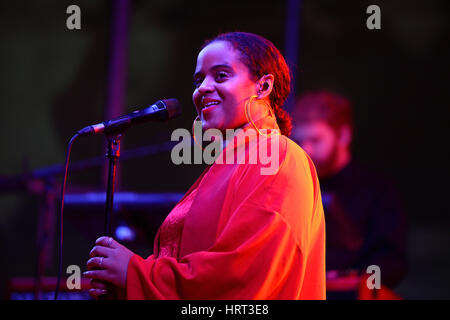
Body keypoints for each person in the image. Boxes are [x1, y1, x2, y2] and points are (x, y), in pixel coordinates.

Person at [84, 32, 326, 300]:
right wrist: (125, 285)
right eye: (199, 80)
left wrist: (135, 273)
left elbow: (243, 275)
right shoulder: (228, 164)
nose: (203, 89)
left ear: (263, 86)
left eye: (221, 76)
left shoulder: (277, 156)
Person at [290, 90, 407, 298]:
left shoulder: (378, 190)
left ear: (343, 136)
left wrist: (354, 281)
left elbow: (393, 262)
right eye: (300, 142)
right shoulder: (293, 186)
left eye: (315, 140)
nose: (305, 150)